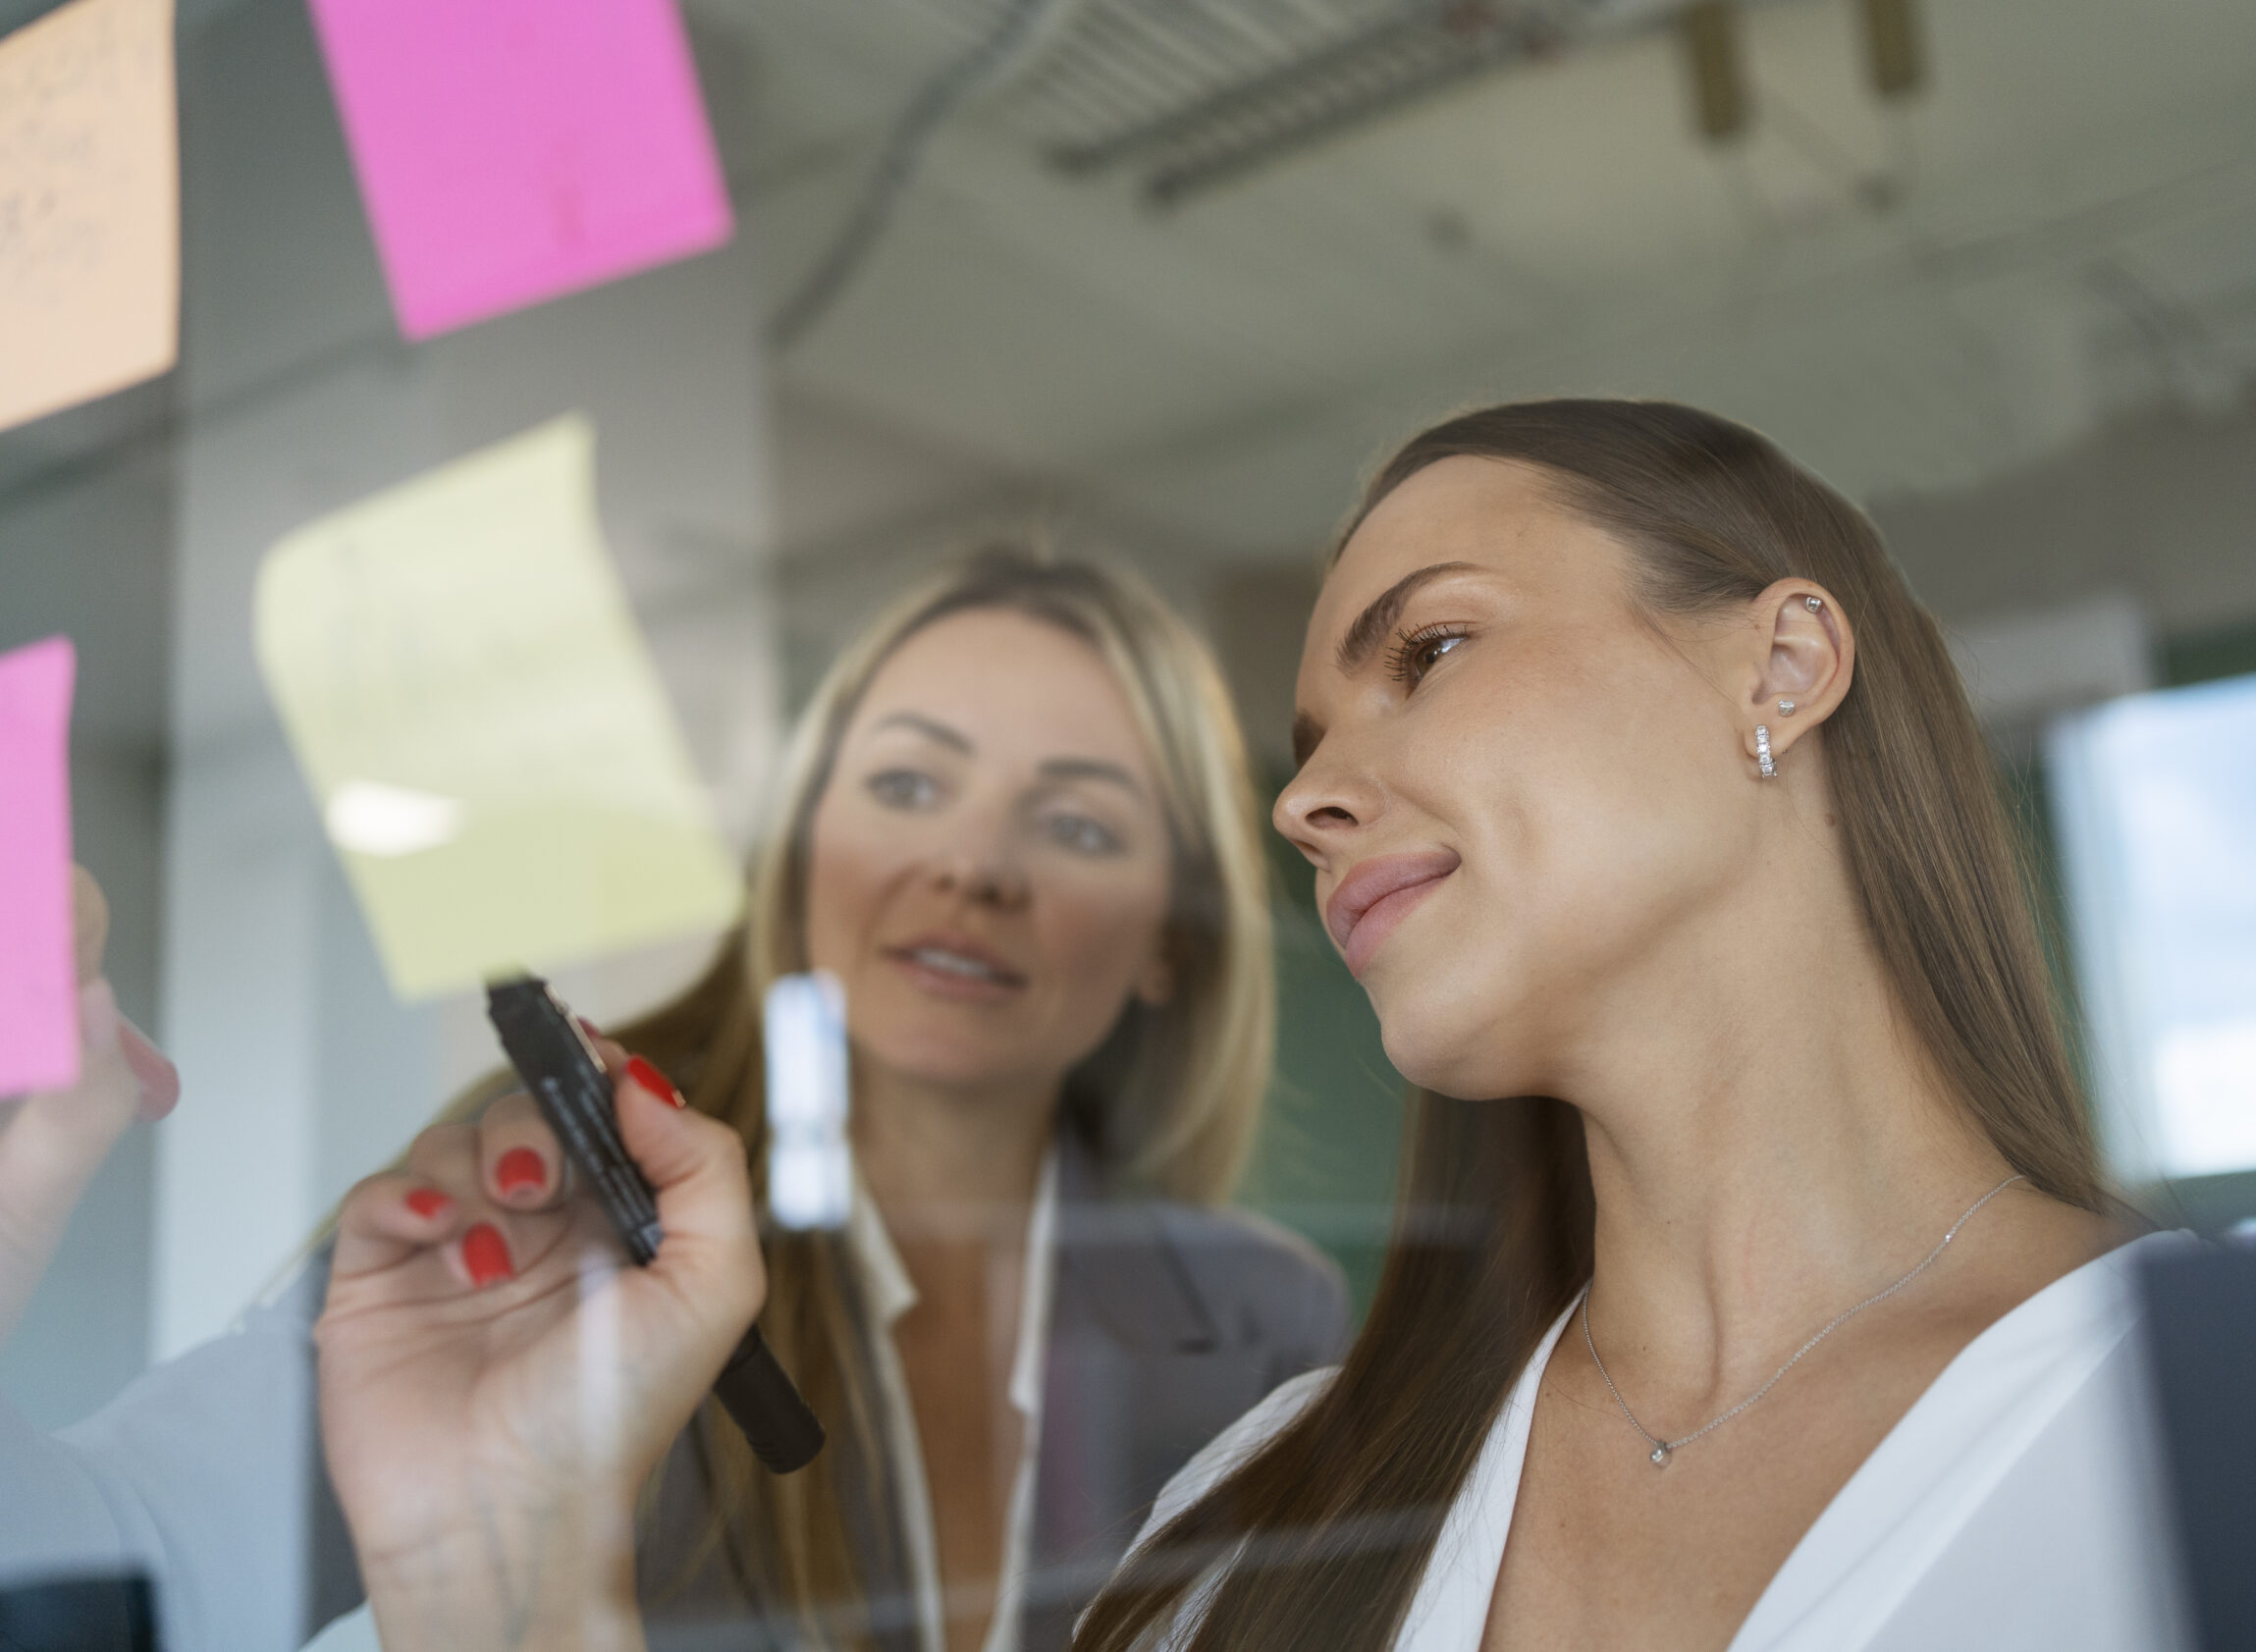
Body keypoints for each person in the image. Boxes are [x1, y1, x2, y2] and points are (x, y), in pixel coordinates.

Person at [0, 548, 1346, 1652]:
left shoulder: (1268, 1318)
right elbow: (124, 1560)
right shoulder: (563, 1193)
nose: (973, 862)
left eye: (1079, 823)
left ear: (1173, 935)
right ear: (803, 852)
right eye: (908, 785)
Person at [1071, 400, 2194, 1652]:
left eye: (1430, 652)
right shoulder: (1257, 1520)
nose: (1303, 804)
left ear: (1782, 666)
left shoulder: (2246, 1413)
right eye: (1311, 746)